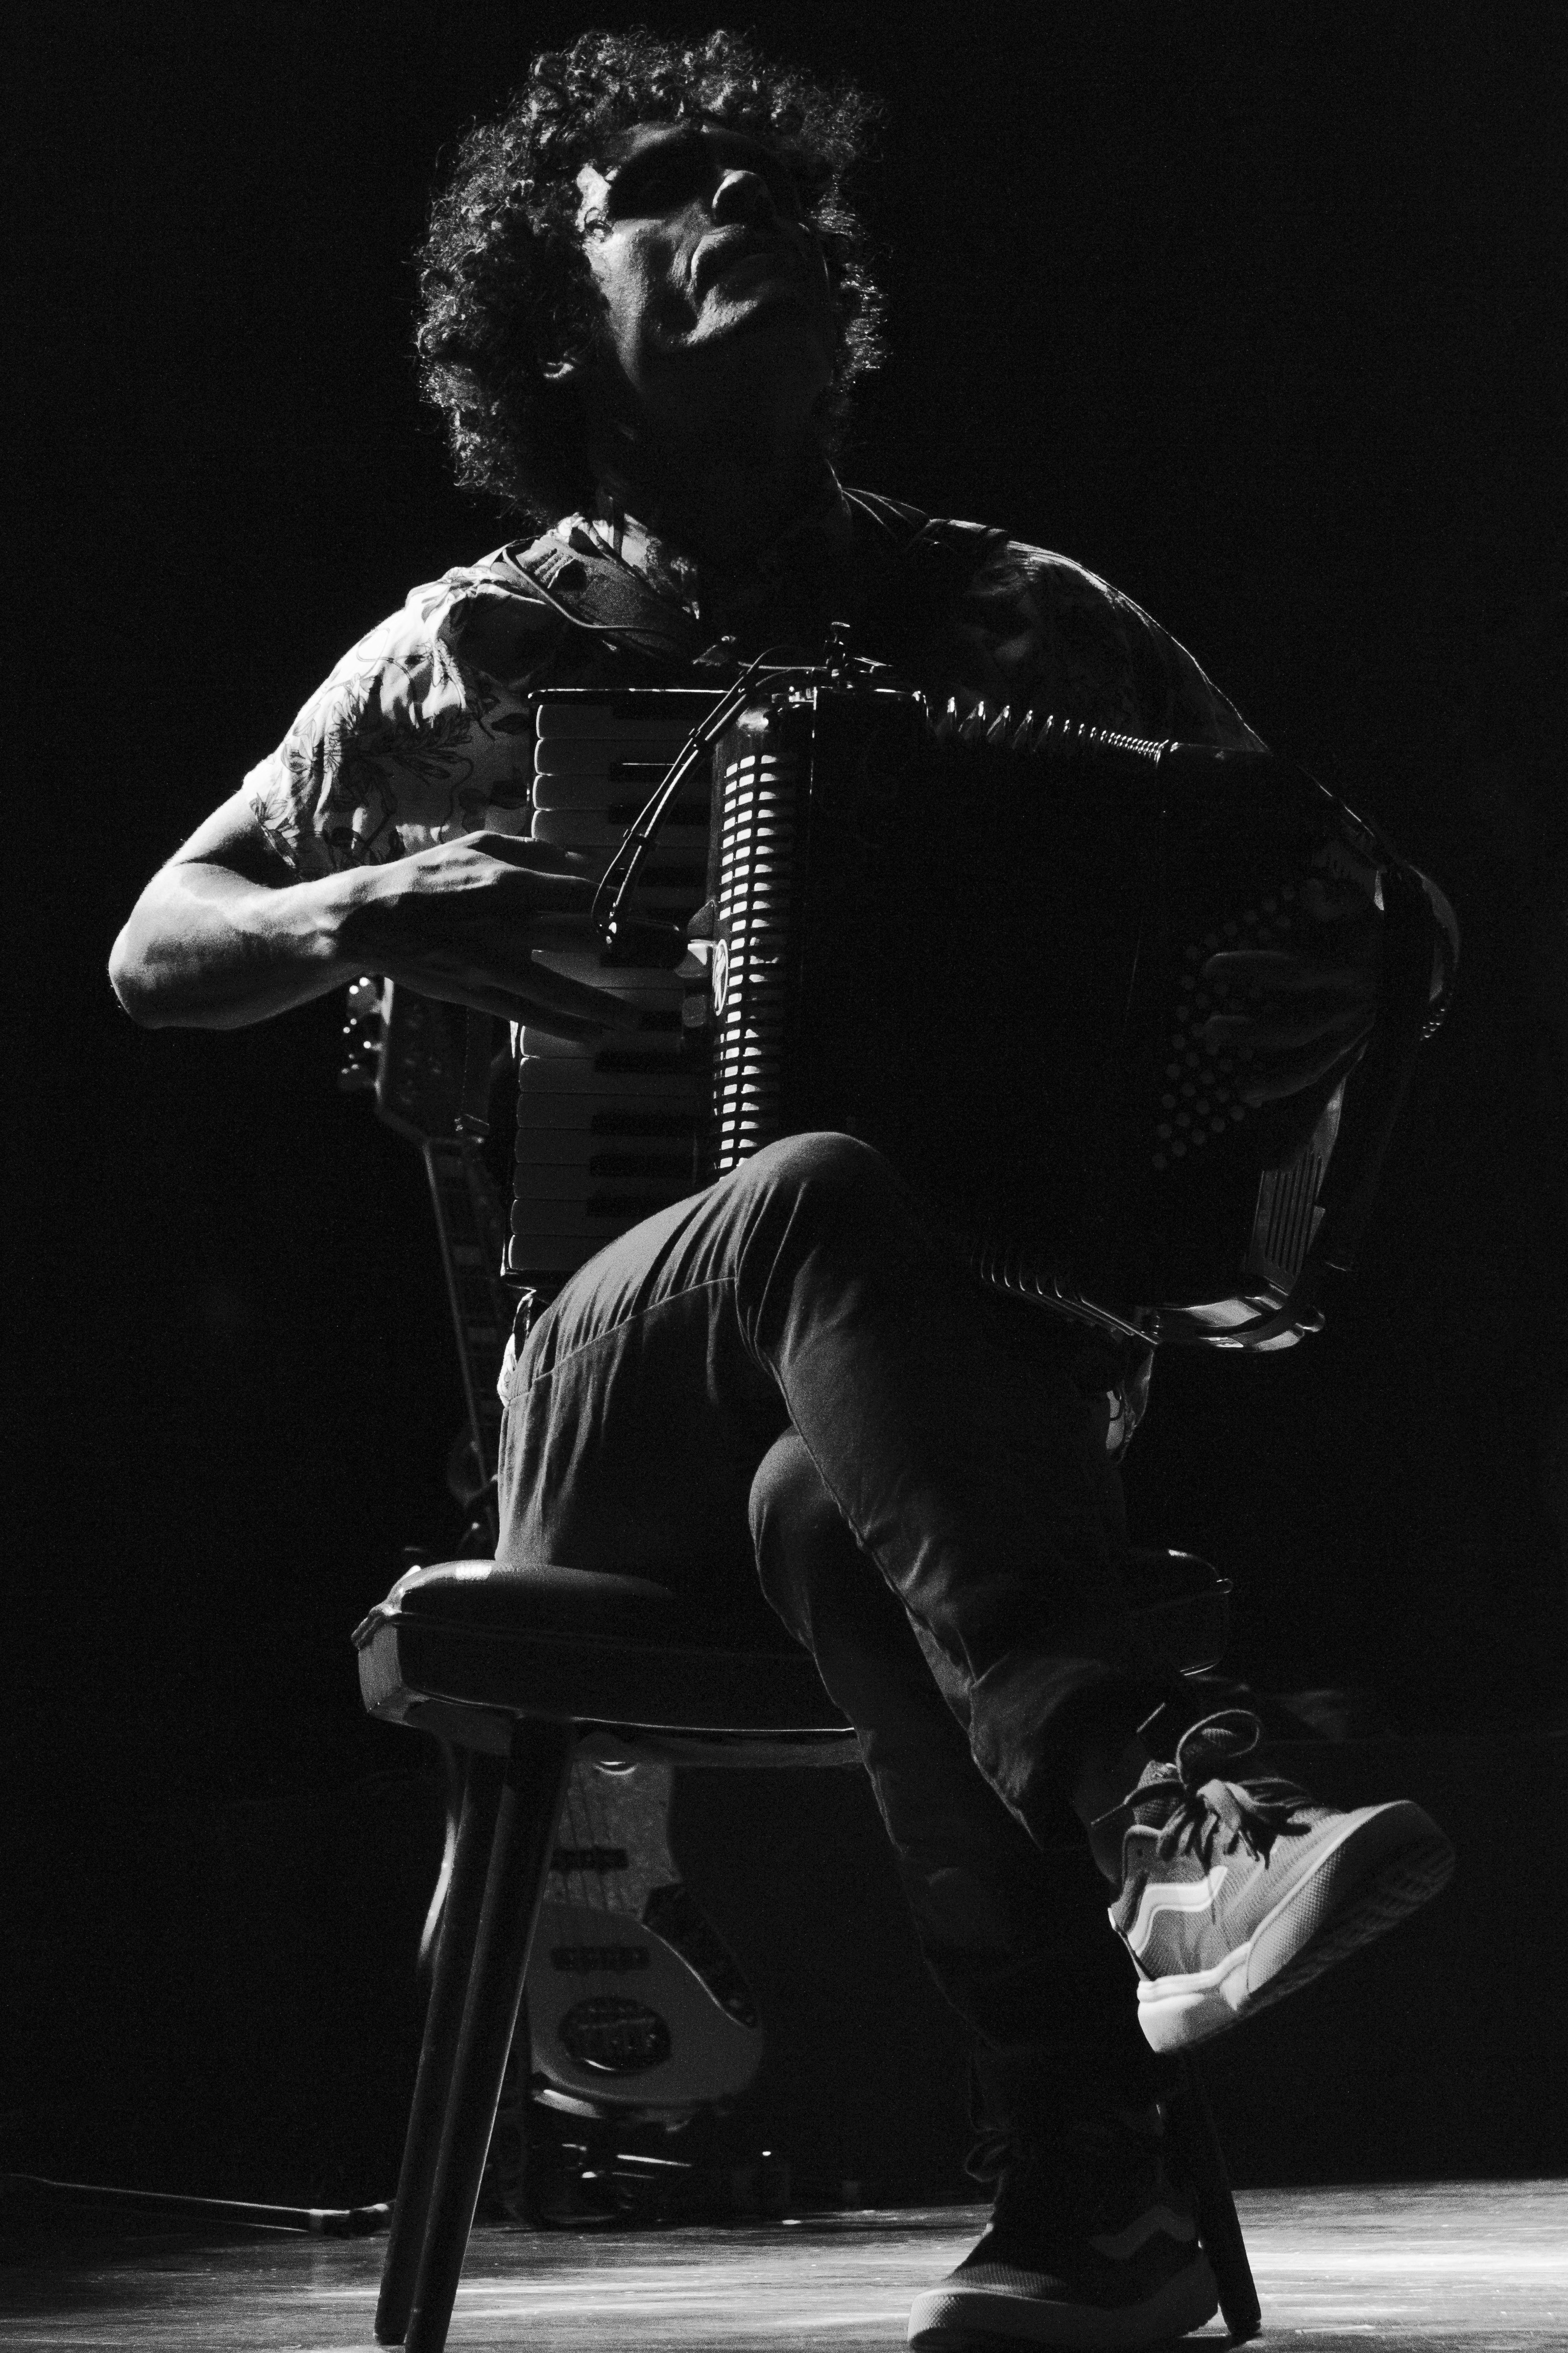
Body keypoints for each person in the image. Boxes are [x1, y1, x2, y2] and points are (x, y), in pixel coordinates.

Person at [110, 30, 1454, 2351]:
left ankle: (1083, 2205)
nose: (757, 208)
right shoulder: (479, 648)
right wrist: (372, 902)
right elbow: (156, 948)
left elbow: (1321, 904)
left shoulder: (1036, 621)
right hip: (593, 1424)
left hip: (956, 1441)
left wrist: (1341, 987)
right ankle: (1182, 1808)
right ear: (556, 324)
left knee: (844, 1511)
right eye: (674, 190)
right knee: (818, 1192)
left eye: (786, 190)